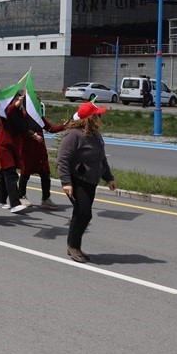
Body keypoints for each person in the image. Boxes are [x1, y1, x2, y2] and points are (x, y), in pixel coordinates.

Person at [56, 101, 117, 263]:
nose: (101, 117)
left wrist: (109, 178)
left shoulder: (95, 135)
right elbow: (62, 160)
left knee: (81, 213)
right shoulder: (74, 135)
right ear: (90, 118)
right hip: (77, 181)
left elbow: (101, 159)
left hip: (91, 181)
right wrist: (66, 182)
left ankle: (73, 245)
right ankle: (73, 246)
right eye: (98, 115)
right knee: (84, 213)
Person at [18, 102, 66, 209]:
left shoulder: (38, 116)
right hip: (27, 150)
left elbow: (51, 129)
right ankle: (21, 196)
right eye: (36, 103)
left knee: (45, 174)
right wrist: (34, 135)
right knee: (25, 174)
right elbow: (21, 130)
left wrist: (65, 125)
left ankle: (46, 199)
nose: (38, 106)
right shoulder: (23, 115)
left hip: (40, 151)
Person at [0, 92, 31, 213]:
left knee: (3, 173)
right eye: (16, 99)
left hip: (13, 147)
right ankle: (15, 203)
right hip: (4, 147)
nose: (18, 102)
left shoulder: (18, 113)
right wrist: (16, 104)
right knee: (11, 174)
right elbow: (8, 111)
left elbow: (25, 126)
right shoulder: (5, 112)